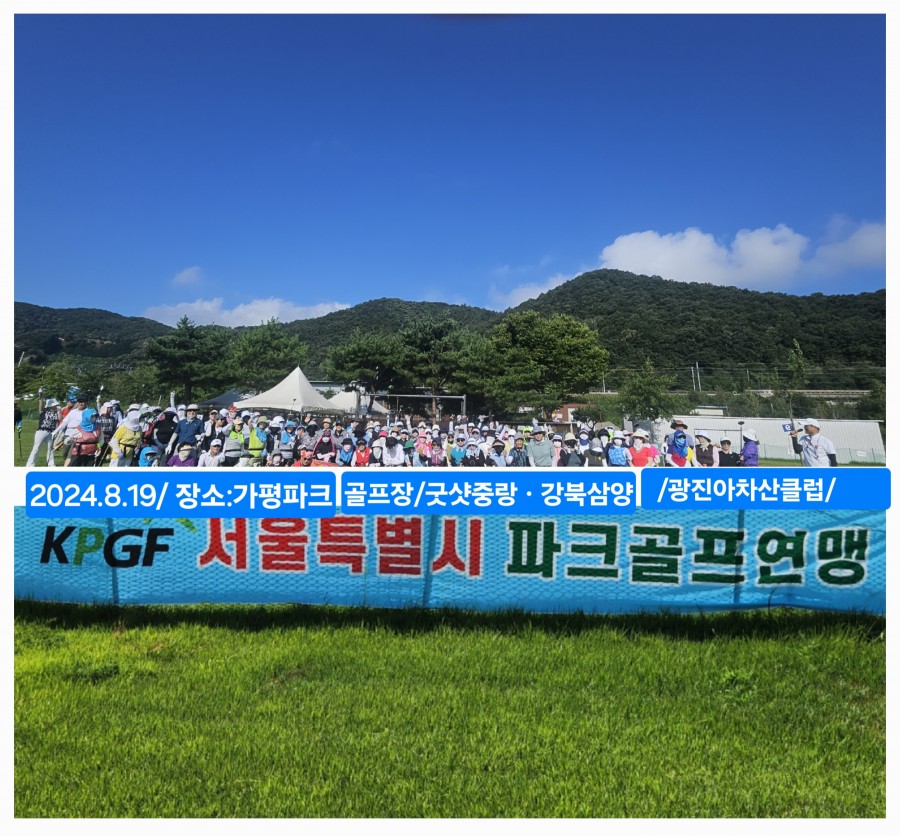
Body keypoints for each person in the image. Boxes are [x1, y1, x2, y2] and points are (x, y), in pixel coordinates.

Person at [26, 395, 61, 467]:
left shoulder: (55, 413)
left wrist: (59, 411)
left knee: (50, 448)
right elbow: (41, 404)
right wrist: (41, 396)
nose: (56, 406)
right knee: (36, 447)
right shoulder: (44, 411)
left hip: (50, 432)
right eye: (55, 405)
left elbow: (60, 419)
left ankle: (51, 464)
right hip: (41, 431)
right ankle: (30, 464)